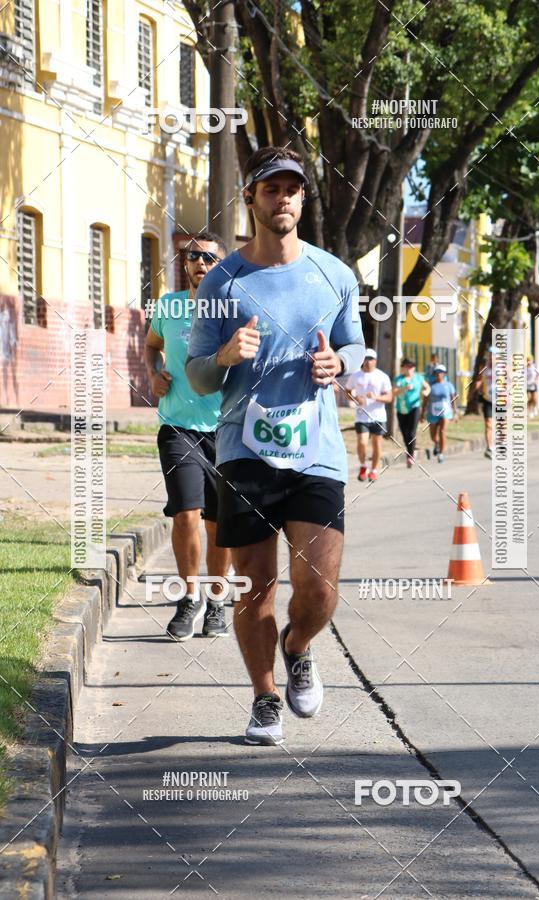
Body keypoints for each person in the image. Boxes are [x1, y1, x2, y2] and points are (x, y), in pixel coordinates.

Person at [186, 146, 365, 746]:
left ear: (303, 199)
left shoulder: (334, 274)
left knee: (318, 588)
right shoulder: (221, 279)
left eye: (292, 188)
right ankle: (265, 697)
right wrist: (224, 357)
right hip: (243, 451)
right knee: (254, 585)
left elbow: (356, 349)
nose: (282, 197)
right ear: (251, 199)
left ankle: (299, 645)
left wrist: (337, 361)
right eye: (270, 188)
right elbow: (196, 375)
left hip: (316, 450)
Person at [145, 232, 232, 641]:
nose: (200, 263)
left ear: (222, 264)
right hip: (178, 427)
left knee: (219, 525)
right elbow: (152, 345)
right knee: (185, 514)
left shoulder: (233, 308)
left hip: (226, 431)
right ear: (184, 264)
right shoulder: (169, 306)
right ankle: (188, 599)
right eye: (193, 257)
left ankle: (216, 601)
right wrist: (153, 371)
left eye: (209, 258)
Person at [344, 349, 392, 481]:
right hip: (362, 416)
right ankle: (363, 465)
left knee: (377, 445)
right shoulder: (356, 376)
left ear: (375, 361)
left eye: (370, 359)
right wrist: (354, 399)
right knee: (362, 443)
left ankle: (374, 470)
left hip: (378, 417)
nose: (367, 361)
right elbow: (347, 391)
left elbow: (389, 397)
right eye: (365, 359)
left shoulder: (382, 376)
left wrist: (376, 397)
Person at [393, 357, 430, 467]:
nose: (409, 369)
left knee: (411, 432)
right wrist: (403, 389)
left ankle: (410, 455)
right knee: (404, 433)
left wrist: (426, 392)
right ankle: (410, 452)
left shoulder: (418, 378)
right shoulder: (399, 379)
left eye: (411, 367)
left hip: (415, 407)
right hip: (401, 409)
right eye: (407, 366)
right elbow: (393, 393)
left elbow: (427, 387)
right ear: (403, 368)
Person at [426, 364, 458, 463]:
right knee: (433, 436)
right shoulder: (431, 385)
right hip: (433, 412)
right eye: (436, 372)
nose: (438, 374)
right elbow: (425, 399)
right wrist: (422, 412)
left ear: (444, 374)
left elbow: (453, 399)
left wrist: (455, 412)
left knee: (443, 431)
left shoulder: (449, 385)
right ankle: (437, 443)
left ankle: (441, 454)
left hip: (446, 412)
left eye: (440, 372)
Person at [473, 350, 494, 459]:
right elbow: (479, 380)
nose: (491, 358)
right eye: (490, 355)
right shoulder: (484, 368)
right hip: (487, 399)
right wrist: (476, 387)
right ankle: (490, 447)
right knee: (488, 424)